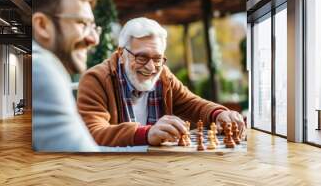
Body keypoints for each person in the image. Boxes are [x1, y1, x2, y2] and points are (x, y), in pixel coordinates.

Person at [77, 17, 246, 147]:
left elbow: (192, 104)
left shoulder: (163, 74)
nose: (151, 67)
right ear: (122, 54)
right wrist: (146, 133)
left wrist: (218, 114)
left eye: (157, 58)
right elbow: (92, 132)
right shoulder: (96, 79)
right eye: (141, 57)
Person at [32, 0, 100, 152]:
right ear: (42, 25)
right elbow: (85, 164)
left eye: (93, 27)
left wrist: (147, 146)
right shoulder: (43, 68)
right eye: (82, 23)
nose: (94, 39)